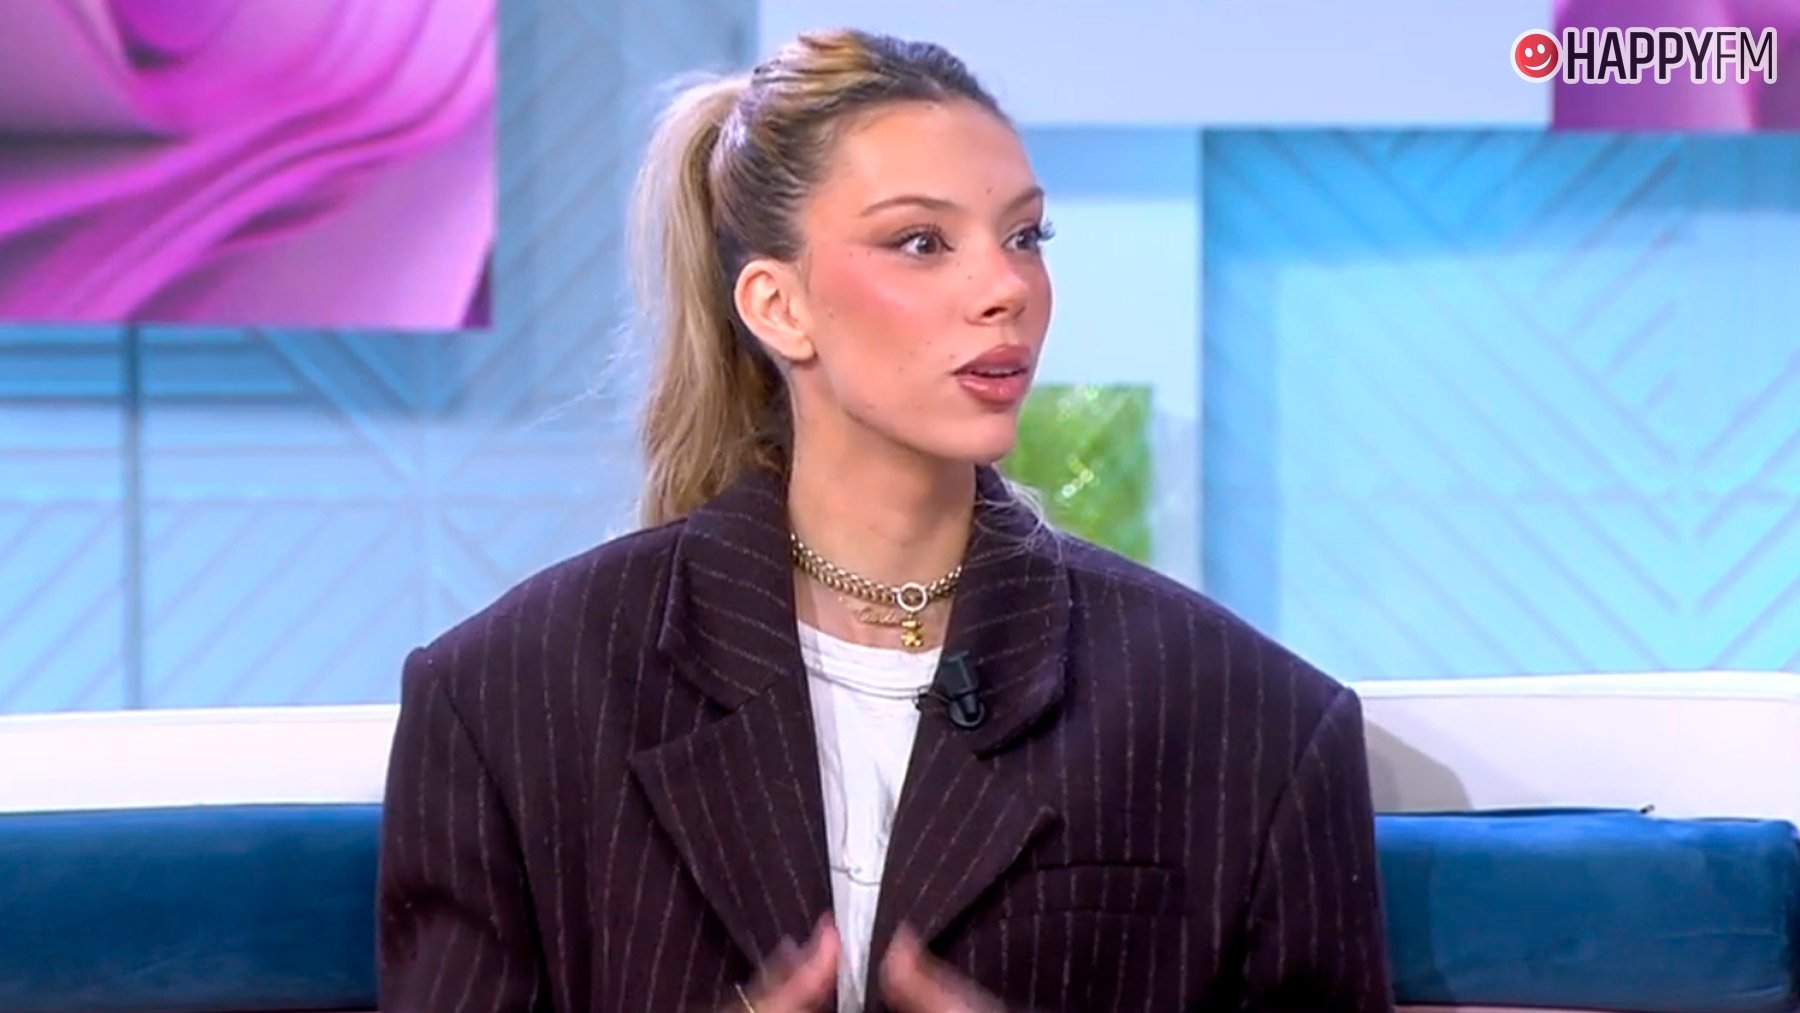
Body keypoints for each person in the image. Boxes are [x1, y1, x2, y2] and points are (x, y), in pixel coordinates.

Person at [376, 26, 1395, 1013]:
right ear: (778, 306)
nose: (1006, 288)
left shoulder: (1250, 720)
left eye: (1026, 236)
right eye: (920, 242)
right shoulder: (509, 700)